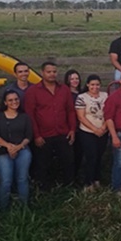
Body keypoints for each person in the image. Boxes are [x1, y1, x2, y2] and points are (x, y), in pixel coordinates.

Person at [24, 61, 77, 189]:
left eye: (54, 71)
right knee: (43, 164)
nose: (52, 74)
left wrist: (72, 129)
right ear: (42, 73)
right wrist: (36, 135)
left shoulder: (64, 89)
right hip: (43, 134)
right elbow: (30, 115)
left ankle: (69, 187)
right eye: (49, 72)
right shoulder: (33, 91)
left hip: (62, 132)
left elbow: (70, 110)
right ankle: (44, 190)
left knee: (68, 161)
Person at [0, 90, 33, 210]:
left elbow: (29, 135)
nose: (14, 102)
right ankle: (3, 209)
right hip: (3, 151)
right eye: (10, 100)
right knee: (6, 180)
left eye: (16, 99)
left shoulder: (24, 116)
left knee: (22, 179)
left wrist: (18, 147)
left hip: (22, 149)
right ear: (5, 102)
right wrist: (9, 146)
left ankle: (24, 208)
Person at [75, 74, 108, 191]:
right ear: (88, 85)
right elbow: (81, 117)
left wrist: (103, 128)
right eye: (92, 84)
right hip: (87, 132)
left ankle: (96, 179)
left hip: (103, 131)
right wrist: (95, 129)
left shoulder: (105, 96)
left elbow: (109, 113)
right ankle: (88, 183)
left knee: (99, 156)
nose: (95, 87)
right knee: (91, 156)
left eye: (97, 85)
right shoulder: (82, 97)